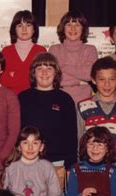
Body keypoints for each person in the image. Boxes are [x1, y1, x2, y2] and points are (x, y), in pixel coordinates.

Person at [18, 52, 78, 181]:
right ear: (34, 73)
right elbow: (16, 132)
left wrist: (70, 166)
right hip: (26, 161)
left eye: (49, 68)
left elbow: (71, 135)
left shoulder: (65, 99)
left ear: (56, 73)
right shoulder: (22, 98)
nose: (44, 73)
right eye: (40, 69)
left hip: (57, 163)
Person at [48, 10, 98, 139]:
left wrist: (63, 67)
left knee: (82, 140)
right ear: (62, 28)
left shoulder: (90, 49)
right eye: (69, 24)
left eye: (77, 25)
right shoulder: (54, 49)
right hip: (59, 102)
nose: (73, 28)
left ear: (83, 29)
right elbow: (53, 78)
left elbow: (88, 74)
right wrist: (78, 81)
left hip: (83, 104)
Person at [78, 56, 116, 157]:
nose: (107, 84)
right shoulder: (83, 107)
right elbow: (79, 140)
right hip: (91, 165)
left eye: (112, 79)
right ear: (93, 80)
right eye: (101, 79)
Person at [0, 10, 46, 94]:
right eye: (20, 25)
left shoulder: (41, 51)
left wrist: (15, 75)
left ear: (34, 29)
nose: (24, 29)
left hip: (34, 97)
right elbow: (3, 81)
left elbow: (43, 81)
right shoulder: (6, 51)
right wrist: (27, 77)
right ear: (14, 29)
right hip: (11, 98)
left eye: (28, 25)